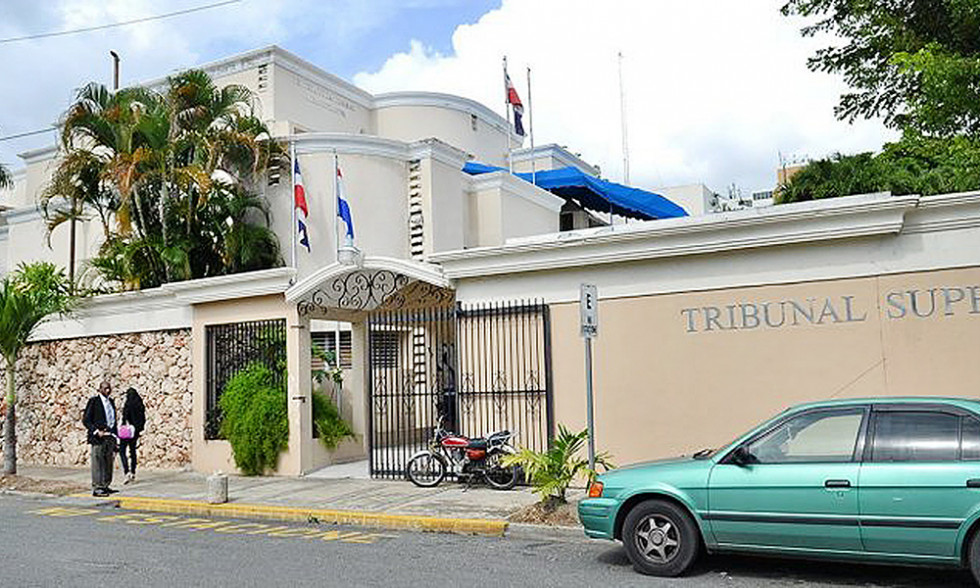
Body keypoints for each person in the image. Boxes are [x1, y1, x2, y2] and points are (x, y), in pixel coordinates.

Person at [82, 381, 117, 497]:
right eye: (105, 388)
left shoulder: (111, 402)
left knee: (108, 462)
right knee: (98, 463)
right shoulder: (94, 402)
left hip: (109, 436)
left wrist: (115, 435)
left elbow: (113, 419)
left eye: (109, 388)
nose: (108, 390)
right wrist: (96, 431)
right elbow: (86, 420)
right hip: (98, 437)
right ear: (100, 389)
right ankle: (97, 487)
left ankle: (105, 485)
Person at [118, 387, 145, 484]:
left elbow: (125, 418)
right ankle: (133, 472)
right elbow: (143, 420)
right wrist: (138, 429)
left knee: (122, 451)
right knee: (132, 451)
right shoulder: (140, 405)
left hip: (126, 431)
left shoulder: (128, 404)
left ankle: (126, 471)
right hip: (135, 432)